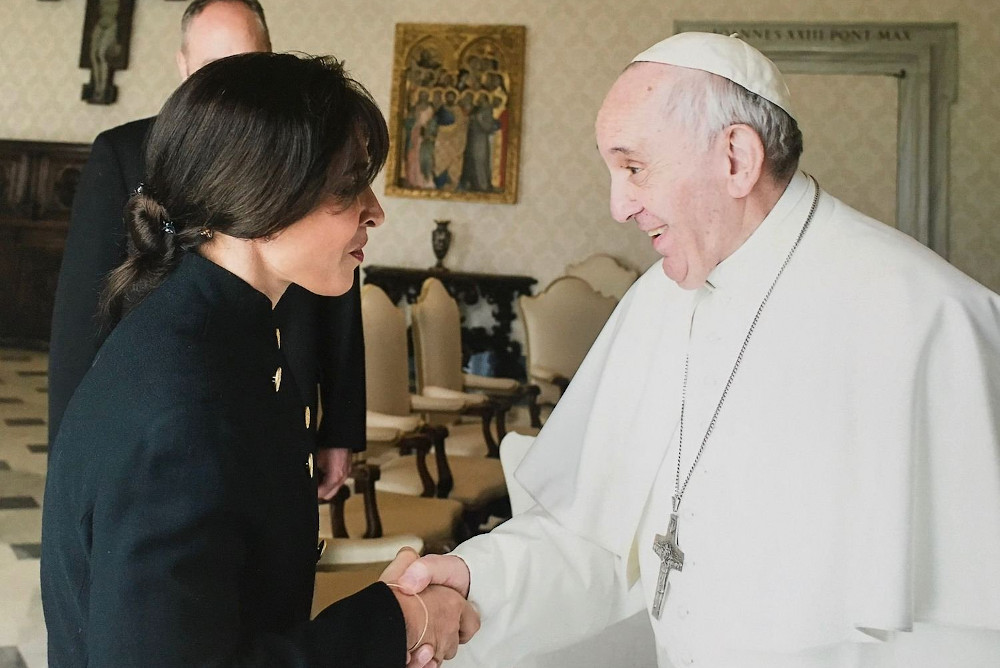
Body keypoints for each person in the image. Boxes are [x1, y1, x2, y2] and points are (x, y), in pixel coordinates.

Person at [396, 32, 1000, 667]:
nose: (618, 205)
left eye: (634, 167)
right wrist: (476, 579)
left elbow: (965, 628)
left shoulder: (931, 320)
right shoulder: (661, 299)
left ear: (736, 158)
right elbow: (599, 542)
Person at [41, 51, 478, 668]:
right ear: (263, 193)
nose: (375, 210)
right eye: (350, 185)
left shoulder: (224, 334)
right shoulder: (184, 398)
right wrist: (395, 621)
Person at [49, 0, 365, 499]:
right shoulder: (124, 151)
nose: (231, 83)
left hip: (286, 395)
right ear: (183, 68)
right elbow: (81, 318)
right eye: (215, 67)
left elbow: (339, 291)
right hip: (166, 410)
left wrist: (341, 428)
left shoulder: (304, 156)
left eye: (247, 63)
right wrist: (69, 455)